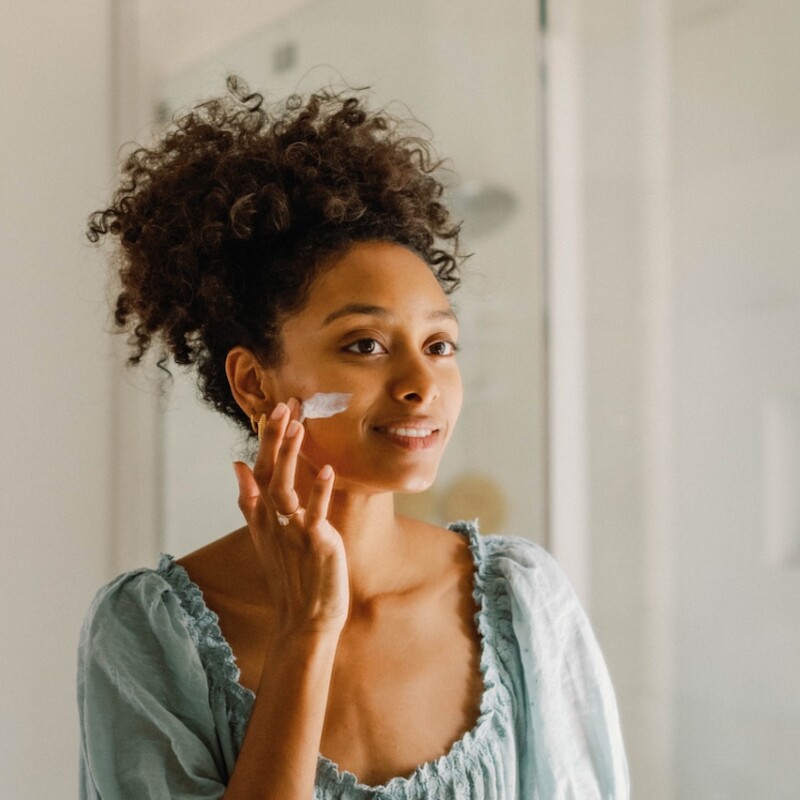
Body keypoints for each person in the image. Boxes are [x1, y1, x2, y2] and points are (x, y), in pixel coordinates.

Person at [79, 78, 629, 799]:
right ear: (253, 384)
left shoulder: (521, 600)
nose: (421, 384)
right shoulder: (147, 634)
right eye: (366, 345)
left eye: (439, 344)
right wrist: (307, 630)